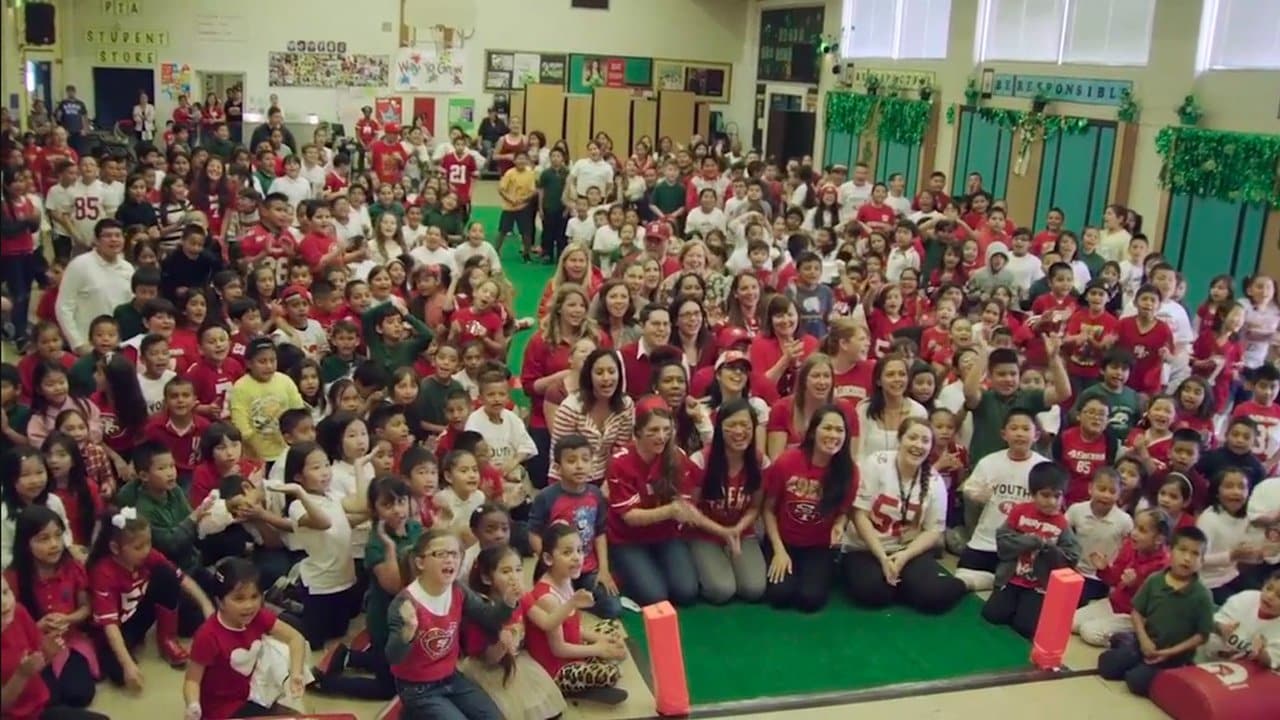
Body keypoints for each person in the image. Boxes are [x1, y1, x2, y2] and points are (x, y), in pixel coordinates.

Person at [842, 418, 966, 614]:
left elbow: (933, 531)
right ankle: (903, 585)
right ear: (900, 440)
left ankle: (967, 582)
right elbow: (858, 515)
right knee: (873, 593)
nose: (918, 445)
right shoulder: (877, 462)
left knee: (932, 598)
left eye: (925, 440)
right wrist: (883, 558)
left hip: (906, 550)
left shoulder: (934, 481)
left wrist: (903, 557)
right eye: (913, 438)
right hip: (865, 549)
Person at [183, 558, 308, 719]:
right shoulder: (207, 635)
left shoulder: (257, 617)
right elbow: (192, 680)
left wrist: (296, 673)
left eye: (254, 596)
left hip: (246, 698)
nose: (249, 605)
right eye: (239, 598)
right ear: (219, 602)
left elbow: (295, 638)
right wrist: (193, 706)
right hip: (218, 711)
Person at [1097, 527, 1215, 697]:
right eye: (1182, 550)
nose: (1187, 558)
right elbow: (1136, 612)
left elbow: (1202, 636)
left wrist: (1168, 653)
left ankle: (1148, 667)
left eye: (1195, 554)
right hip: (1144, 644)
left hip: (1174, 657)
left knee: (1136, 682)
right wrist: (1144, 640)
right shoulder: (1155, 580)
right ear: (1170, 551)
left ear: (1202, 561)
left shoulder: (1202, 595)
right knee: (1107, 666)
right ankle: (1128, 645)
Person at [762, 405, 857, 612]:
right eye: (828, 428)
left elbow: (843, 511)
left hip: (818, 546)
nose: (833, 435)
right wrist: (779, 550)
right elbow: (768, 510)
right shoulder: (787, 461)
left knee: (810, 600)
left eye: (840, 430)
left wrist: (840, 525)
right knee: (780, 595)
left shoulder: (849, 471)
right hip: (783, 541)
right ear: (814, 431)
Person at [55, 219, 135, 356]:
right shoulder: (79, 265)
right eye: (108, 236)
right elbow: (64, 307)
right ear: (96, 240)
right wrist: (77, 344)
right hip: (87, 346)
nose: (114, 240)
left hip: (118, 346)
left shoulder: (128, 269)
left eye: (118, 235)